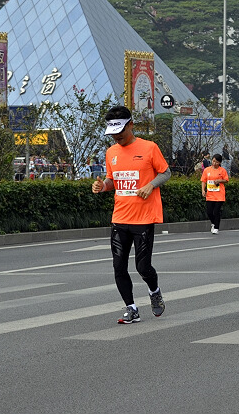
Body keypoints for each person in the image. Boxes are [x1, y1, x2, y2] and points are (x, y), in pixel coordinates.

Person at [91, 105, 170, 324]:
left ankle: (154, 291)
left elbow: (166, 172)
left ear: (131, 125)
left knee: (142, 267)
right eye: (113, 134)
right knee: (118, 266)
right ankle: (131, 308)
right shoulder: (111, 152)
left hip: (143, 219)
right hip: (120, 218)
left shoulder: (149, 148)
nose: (117, 137)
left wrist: (151, 185)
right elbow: (111, 181)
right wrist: (102, 186)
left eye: (121, 132)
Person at [201, 153, 229, 234]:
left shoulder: (222, 170)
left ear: (219, 163)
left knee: (216, 211)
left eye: (216, 162)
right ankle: (213, 223)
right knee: (209, 212)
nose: (214, 163)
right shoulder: (207, 170)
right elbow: (203, 180)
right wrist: (203, 190)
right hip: (210, 194)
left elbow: (226, 180)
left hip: (219, 194)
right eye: (213, 161)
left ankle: (216, 227)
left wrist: (219, 180)